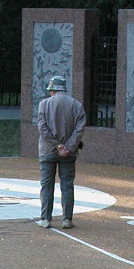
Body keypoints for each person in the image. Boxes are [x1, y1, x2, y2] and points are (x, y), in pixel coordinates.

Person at [36, 75, 86, 229]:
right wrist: (68, 147)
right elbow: (79, 129)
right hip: (69, 153)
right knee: (67, 185)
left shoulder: (44, 104)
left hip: (47, 151)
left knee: (46, 185)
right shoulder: (76, 105)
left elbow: (43, 128)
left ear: (52, 89)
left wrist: (57, 146)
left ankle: (45, 218)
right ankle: (67, 219)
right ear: (64, 88)